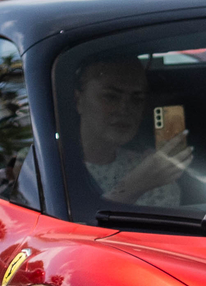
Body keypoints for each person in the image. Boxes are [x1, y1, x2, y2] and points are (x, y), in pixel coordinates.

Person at [71, 58, 190, 208]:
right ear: (78, 101)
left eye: (137, 99)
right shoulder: (50, 168)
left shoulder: (154, 171)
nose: (124, 109)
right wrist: (133, 187)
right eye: (111, 96)